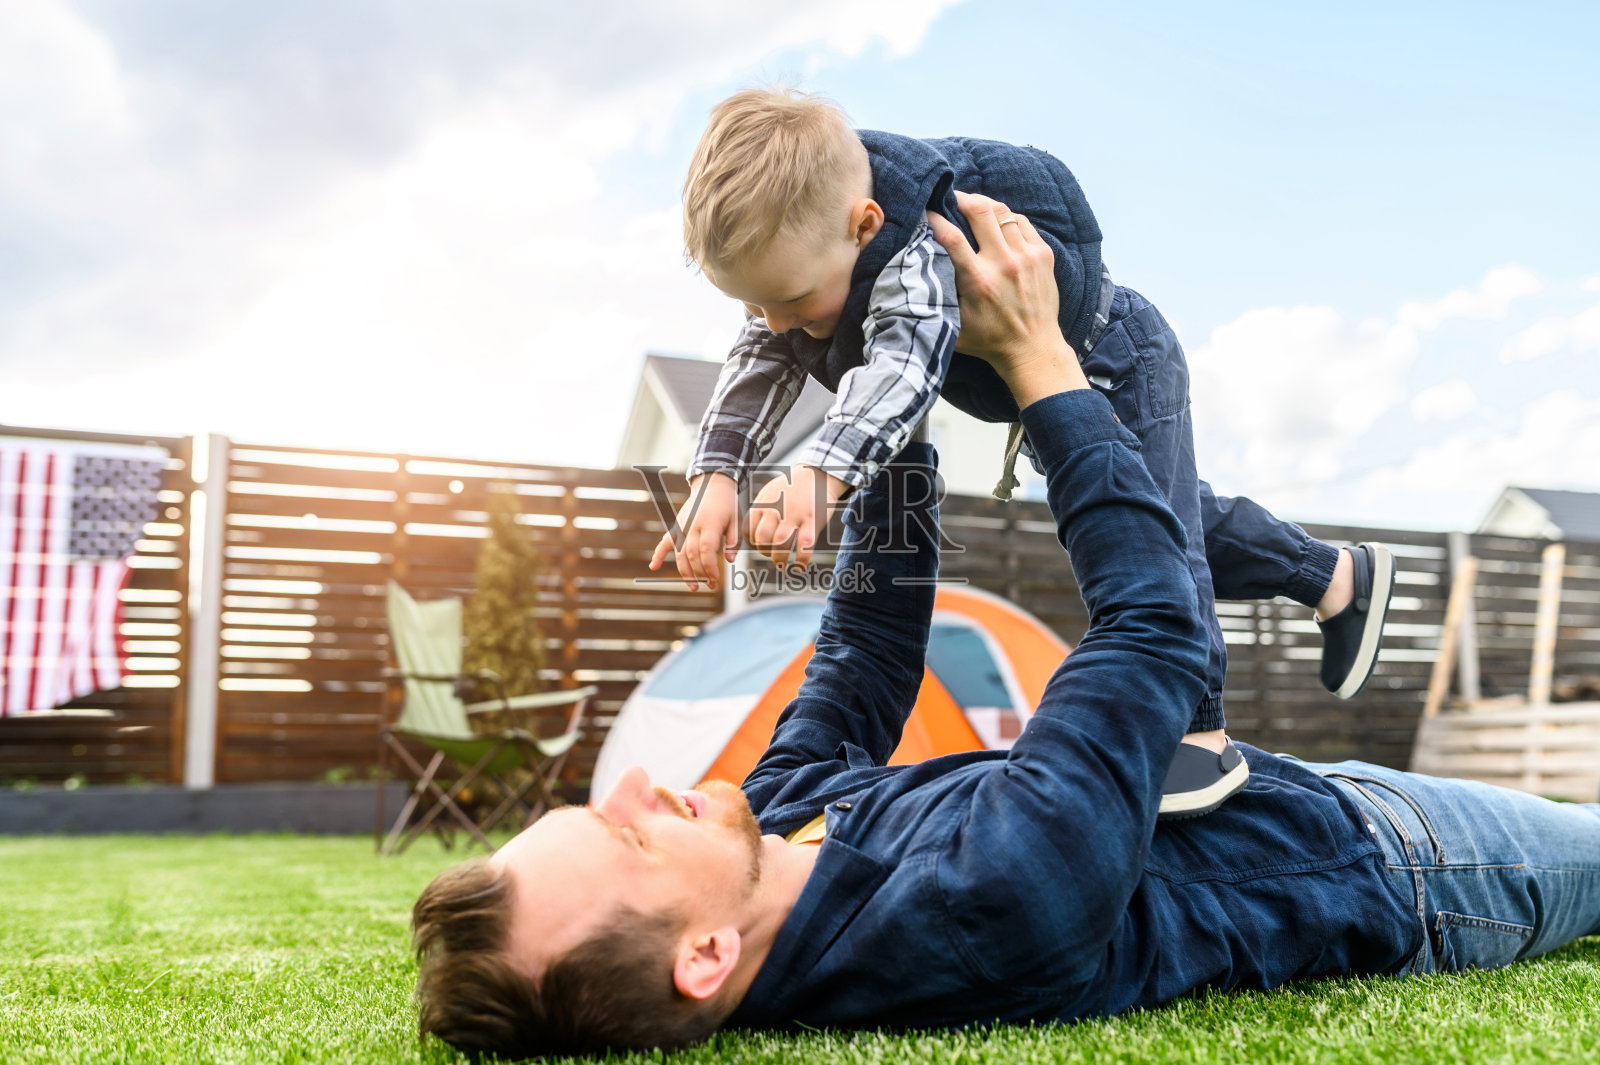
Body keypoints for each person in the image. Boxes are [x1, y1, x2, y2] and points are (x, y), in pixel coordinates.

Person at [412, 195, 1600, 1060]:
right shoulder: (984, 909)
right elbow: (1150, 629)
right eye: (624, 844)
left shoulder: (767, 833)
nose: (633, 798)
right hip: (1402, 865)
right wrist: (1038, 361)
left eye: (596, 809)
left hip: (1286, 790)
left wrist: (881, 415)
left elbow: (865, 657)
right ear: (702, 961)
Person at [648, 87, 1393, 818]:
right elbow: (760, 357)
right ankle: (1335, 575)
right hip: (1038, 385)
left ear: (863, 226)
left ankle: (1196, 728)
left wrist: (823, 473)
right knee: (1170, 517)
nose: (776, 324)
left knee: (1157, 532)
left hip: (1116, 357)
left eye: (791, 300)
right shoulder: (813, 259)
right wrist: (718, 476)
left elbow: (900, 371)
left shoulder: (912, 249)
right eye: (753, 306)